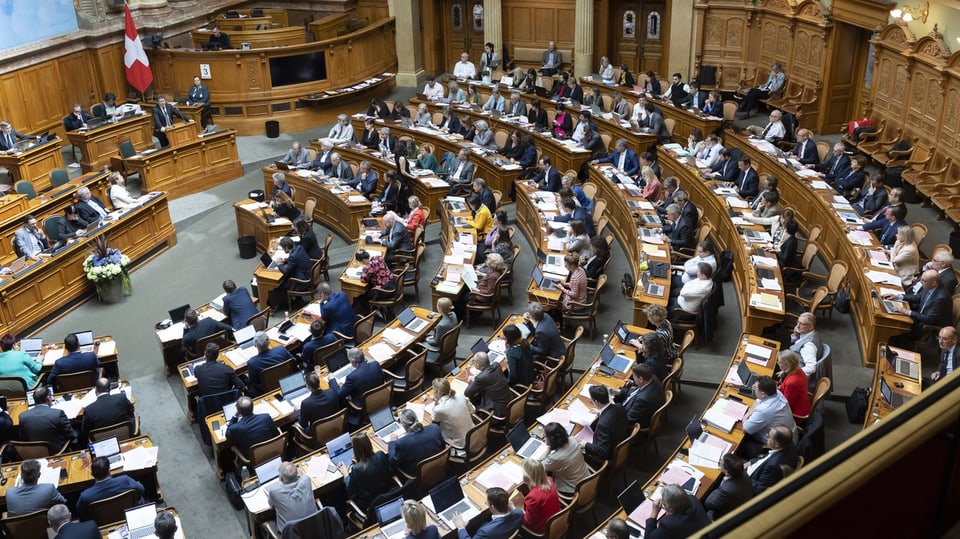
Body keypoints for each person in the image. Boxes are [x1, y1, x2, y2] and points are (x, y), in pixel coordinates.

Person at [885, 269, 952, 344]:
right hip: (919, 316)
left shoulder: (940, 298)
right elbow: (918, 297)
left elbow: (929, 319)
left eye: (924, 281)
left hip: (926, 328)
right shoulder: (930, 286)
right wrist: (899, 297)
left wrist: (906, 312)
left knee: (895, 326)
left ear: (934, 283)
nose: (921, 282)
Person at [741, 377, 796, 458]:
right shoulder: (776, 392)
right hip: (790, 436)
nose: (753, 388)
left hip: (777, 445)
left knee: (741, 443)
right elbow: (757, 401)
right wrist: (750, 412)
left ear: (763, 394)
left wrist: (745, 417)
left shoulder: (764, 411)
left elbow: (745, 429)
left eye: (755, 388)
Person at [76, 456, 145, 520]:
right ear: (109, 471)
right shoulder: (125, 480)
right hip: (128, 517)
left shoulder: (85, 496)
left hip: (101, 524)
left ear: (91, 474)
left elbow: (80, 512)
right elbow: (141, 490)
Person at [343, 433, 393, 513]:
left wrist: (346, 475)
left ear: (356, 449)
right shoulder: (381, 455)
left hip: (370, 505)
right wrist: (359, 462)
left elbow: (351, 493)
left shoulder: (356, 469)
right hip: (389, 494)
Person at [581, 384, 630, 464]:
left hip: (610, 453)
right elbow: (612, 416)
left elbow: (603, 451)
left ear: (596, 402)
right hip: (619, 438)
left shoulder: (602, 424)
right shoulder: (619, 406)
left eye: (591, 400)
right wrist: (601, 412)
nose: (591, 400)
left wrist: (585, 445)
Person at [389, 408, 445, 476]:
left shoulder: (402, 443)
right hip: (440, 467)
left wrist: (392, 442)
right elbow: (443, 447)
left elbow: (392, 461)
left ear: (403, 425)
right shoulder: (434, 428)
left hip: (418, 475)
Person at [539, 421, 590, 495]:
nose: (544, 438)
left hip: (571, 489)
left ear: (552, 440)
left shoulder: (555, 459)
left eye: (545, 436)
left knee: (543, 478)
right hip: (586, 478)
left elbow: (539, 466)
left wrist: (548, 450)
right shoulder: (573, 440)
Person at [644, 483, 711, 538]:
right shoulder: (693, 499)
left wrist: (654, 513)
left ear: (670, 508)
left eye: (664, 502)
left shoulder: (669, 524)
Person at [267, 461, 319, 532]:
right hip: (314, 528)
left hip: (291, 534)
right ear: (297, 472)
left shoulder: (273, 490)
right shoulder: (306, 480)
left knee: (269, 520)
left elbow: (272, 507)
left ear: (280, 478)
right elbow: (303, 477)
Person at [452, 487, 523, 538]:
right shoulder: (519, 514)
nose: (486, 503)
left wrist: (461, 528)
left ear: (492, 507)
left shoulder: (485, 532)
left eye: (487, 502)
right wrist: (511, 507)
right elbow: (515, 510)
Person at [19, 386, 74, 451]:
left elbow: (24, 438)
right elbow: (70, 435)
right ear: (48, 399)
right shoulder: (58, 414)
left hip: (34, 453)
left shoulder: (22, 416)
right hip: (58, 451)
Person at [747, 425, 798, 493]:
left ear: (776, 444)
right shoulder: (789, 444)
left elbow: (760, 488)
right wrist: (751, 462)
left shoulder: (773, 466)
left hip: (749, 479)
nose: (767, 436)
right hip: (757, 465)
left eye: (769, 437)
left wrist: (742, 476)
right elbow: (767, 456)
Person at [81, 377, 135, 442]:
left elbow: (85, 430)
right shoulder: (122, 397)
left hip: (103, 441)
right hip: (126, 435)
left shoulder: (88, 410)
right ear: (110, 389)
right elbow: (131, 410)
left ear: (96, 391)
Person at [613, 363, 667, 427]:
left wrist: (612, 406)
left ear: (641, 379)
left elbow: (628, 419)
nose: (633, 378)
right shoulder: (652, 378)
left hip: (627, 418)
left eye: (634, 376)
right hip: (631, 405)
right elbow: (634, 392)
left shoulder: (643, 400)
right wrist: (618, 392)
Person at [703, 453, 754, 519]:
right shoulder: (742, 471)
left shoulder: (726, 490)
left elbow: (709, 504)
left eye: (721, 463)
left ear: (726, 472)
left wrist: (717, 489)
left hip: (728, 513)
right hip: (741, 498)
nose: (720, 461)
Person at [464, 351, 512, 417]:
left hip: (498, 413)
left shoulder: (480, 378)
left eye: (474, 361)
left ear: (477, 365)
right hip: (509, 403)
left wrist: (471, 381)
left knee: (472, 408)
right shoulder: (496, 365)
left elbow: (467, 393)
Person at [246, 332, 296, 396]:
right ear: (269, 342)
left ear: (255, 345)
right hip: (287, 382)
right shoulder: (281, 349)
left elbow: (254, 382)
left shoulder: (252, 363)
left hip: (267, 390)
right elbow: (294, 361)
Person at [431, 378, 475, 447]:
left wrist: (436, 404)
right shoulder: (460, 395)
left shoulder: (439, 409)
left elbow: (434, 418)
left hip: (460, 444)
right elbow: (473, 410)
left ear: (438, 392)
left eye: (433, 390)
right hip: (474, 433)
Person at [520, 459, 561, 535]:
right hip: (556, 521)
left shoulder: (533, 497)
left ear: (528, 476)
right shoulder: (549, 480)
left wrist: (516, 510)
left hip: (541, 529)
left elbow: (528, 523)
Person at [271, 235, 311, 310]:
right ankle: (296, 299)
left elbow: (286, 272)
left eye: (283, 248)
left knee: (279, 285)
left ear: (286, 247)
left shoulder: (293, 256)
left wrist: (279, 264)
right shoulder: (299, 247)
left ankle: (280, 305)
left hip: (302, 282)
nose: (283, 250)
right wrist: (284, 260)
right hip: (307, 275)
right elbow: (294, 259)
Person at [354, 249, 396, 315]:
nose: (362, 264)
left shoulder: (370, 265)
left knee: (363, 296)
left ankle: (373, 312)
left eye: (361, 262)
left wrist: (364, 270)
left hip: (385, 290)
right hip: (392, 284)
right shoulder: (378, 257)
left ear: (363, 260)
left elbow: (363, 279)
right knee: (369, 288)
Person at [776, 350, 810, 418]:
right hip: (798, 403)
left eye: (779, 362)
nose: (778, 363)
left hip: (795, 414)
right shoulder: (798, 370)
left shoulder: (792, 383)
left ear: (787, 364)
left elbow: (785, 405)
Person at [788, 312, 821, 377]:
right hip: (792, 361)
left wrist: (791, 371)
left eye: (802, 324)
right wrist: (795, 335)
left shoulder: (809, 345)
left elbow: (811, 368)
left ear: (810, 327)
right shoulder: (810, 333)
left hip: (796, 376)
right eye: (798, 322)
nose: (797, 326)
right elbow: (796, 344)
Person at [557, 253, 588, 318]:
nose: (565, 266)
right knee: (560, 295)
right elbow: (575, 285)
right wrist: (564, 284)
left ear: (573, 265)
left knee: (556, 302)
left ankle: (563, 318)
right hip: (583, 298)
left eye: (566, 264)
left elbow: (574, 295)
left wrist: (562, 288)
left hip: (577, 303)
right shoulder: (580, 269)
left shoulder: (575, 277)